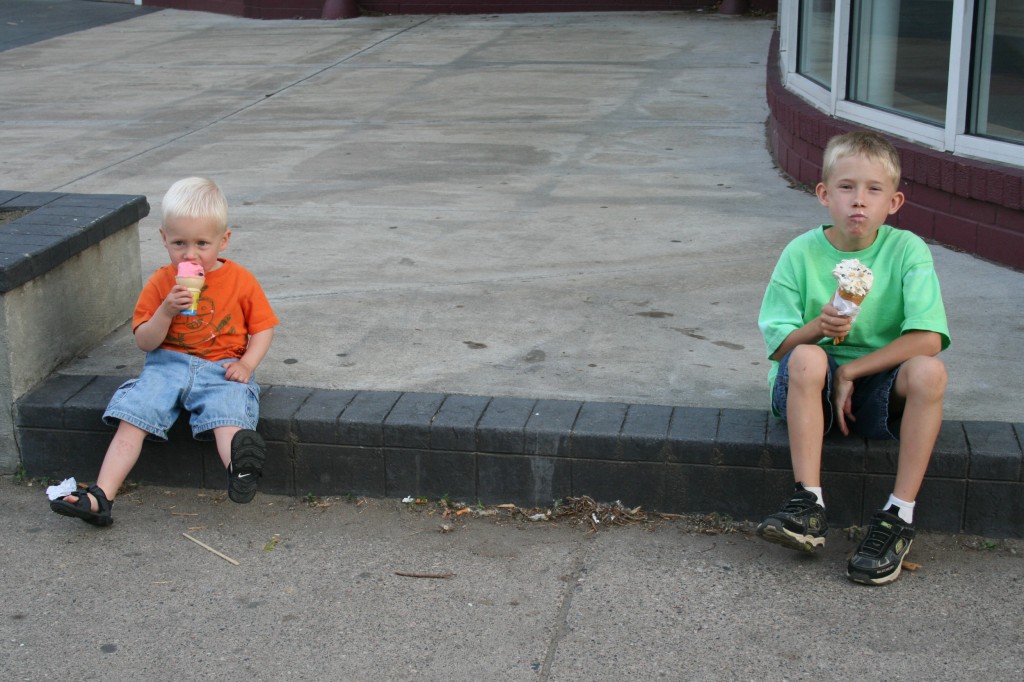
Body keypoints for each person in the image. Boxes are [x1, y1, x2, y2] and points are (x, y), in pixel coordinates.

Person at [756, 131, 950, 585]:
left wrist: (857, 370)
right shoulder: (800, 253)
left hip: (878, 383)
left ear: (894, 202)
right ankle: (808, 504)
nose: (858, 201)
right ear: (824, 194)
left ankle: (898, 515)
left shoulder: (906, 251)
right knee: (806, 356)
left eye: (873, 190)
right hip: (808, 386)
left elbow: (929, 337)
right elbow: (779, 348)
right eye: (846, 187)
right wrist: (818, 329)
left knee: (930, 373)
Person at [49, 177, 279, 526]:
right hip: (166, 365)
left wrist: (247, 363)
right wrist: (166, 311)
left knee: (228, 413)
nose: (190, 254)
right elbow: (145, 341)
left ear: (224, 240)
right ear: (163, 239)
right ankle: (101, 496)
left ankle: (240, 470)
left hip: (221, 367)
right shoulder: (160, 282)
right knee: (135, 415)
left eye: (202, 243)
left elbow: (263, 328)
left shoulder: (241, 281)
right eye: (179, 243)